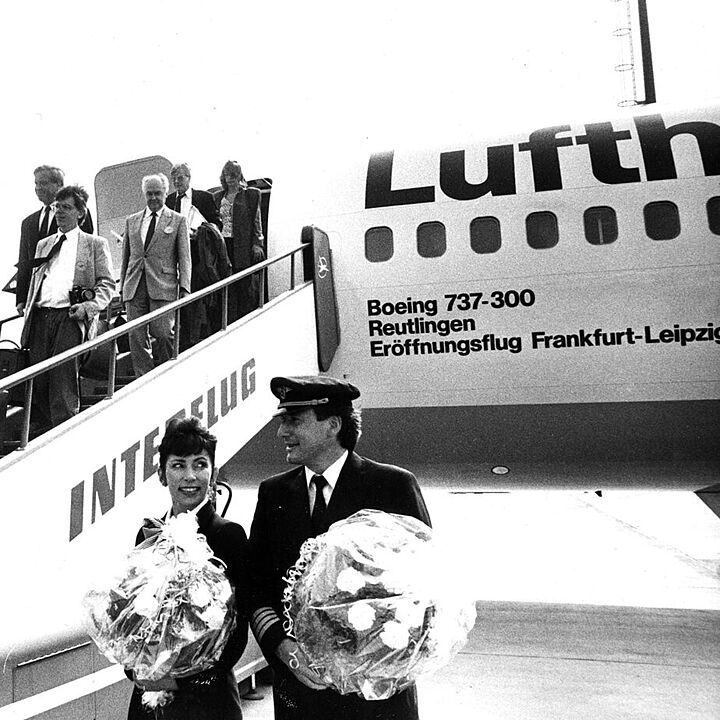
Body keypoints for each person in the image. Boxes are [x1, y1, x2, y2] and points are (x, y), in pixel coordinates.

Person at [247, 376, 431, 720]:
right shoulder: (273, 494)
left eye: (293, 421)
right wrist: (283, 649)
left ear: (332, 425)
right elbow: (256, 586)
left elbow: (424, 591)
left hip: (377, 698)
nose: (281, 432)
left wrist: (376, 660)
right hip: (302, 695)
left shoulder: (392, 486)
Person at [126, 416, 249, 720]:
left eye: (200, 464)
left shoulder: (228, 534)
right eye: (178, 465)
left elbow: (236, 635)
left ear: (214, 472)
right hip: (149, 694)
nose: (190, 476)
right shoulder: (148, 534)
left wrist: (180, 680)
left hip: (207, 698)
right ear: (162, 474)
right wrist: (135, 668)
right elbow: (133, 618)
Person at [20, 185, 114, 429]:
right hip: (41, 318)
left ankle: (66, 428)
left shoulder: (94, 244)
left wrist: (88, 307)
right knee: (38, 379)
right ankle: (48, 428)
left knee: (63, 378)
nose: (60, 212)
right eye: (56, 207)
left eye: (66, 208)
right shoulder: (44, 244)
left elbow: (106, 284)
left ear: (80, 213)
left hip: (70, 318)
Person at [120, 174, 191, 377]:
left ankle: (168, 371)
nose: (153, 198)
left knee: (162, 333)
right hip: (134, 286)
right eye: (149, 194)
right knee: (136, 336)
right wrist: (122, 286)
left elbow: (185, 258)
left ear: (165, 193)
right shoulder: (132, 221)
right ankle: (144, 376)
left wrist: (185, 289)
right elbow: (127, 255)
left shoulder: (178, 221)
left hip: (163, 285)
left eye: (157, 193)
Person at [16, 165, 94, 314]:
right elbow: (24, 260)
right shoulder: (28, 223)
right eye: (36, 183)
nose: (38, 188)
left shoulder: (77, 213)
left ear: (59, 185)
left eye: (43, 183)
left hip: (66, 299)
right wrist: (21, 298)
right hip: (38, 298)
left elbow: (85, 250)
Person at [213, 161, 265, 322]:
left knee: (245, 285)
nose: (230, 179)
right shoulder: (217, 197)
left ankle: (247, 318)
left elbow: (256, 221)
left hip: (241, 245)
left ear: (239, 176)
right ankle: (228, 321)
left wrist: (257, 243)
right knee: (227, 285)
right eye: (227, 175)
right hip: (223, 245)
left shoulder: (250, 195)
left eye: (233, 175)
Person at [180, 221, 232, 351]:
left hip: (200, 274)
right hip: (206, 275)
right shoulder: (210, 232)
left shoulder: (204, 233)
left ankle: (193, 339)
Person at [166, 163, 222, 233]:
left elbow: (217, 224)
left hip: (198, 242)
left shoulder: (204, 198)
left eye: (180, 178)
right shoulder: (168, 200)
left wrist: (203, 231)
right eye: (174, 179)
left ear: (189, 178)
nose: (176, 181)